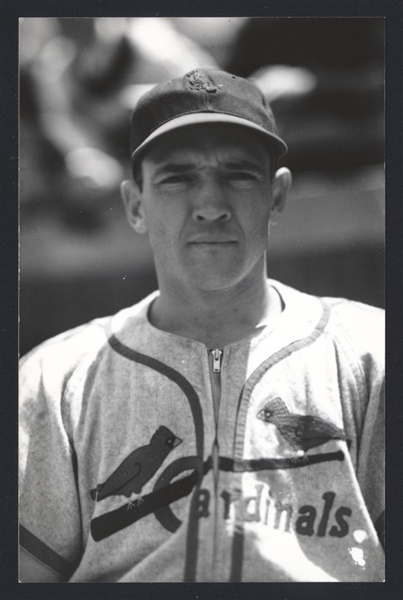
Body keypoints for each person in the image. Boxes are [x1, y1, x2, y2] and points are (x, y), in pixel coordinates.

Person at [19, 68, 384, 582]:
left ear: (277, 196)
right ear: (135, 204)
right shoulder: (52, 381)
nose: (210, 205)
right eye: (177, 177)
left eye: (238, 174)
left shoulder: (374, 355)